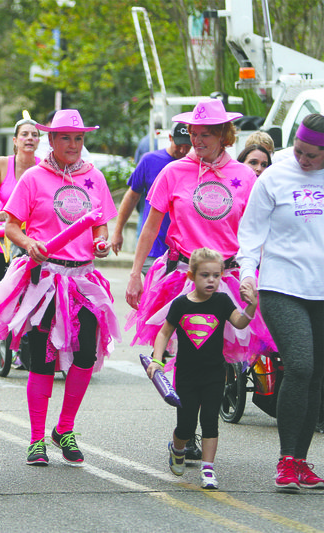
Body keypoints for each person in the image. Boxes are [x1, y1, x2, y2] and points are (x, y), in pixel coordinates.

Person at [0, 109, 119, 467]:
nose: (74, 145)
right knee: (43, 359)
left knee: (85, 357)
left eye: (78, 138)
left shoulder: (94, 178)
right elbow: (11, 226)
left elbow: (101, 228)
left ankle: (64, 428)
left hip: (83, 280)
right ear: (51, 140)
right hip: (45, 280)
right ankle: (35, 439)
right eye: (66, 138)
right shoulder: (33, 177)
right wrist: (28, 242)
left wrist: (102, 243)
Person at [125, 99, 274, 366]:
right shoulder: (174, 171)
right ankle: (189, 404)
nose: (196, 140)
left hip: (230, 277)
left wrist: (261, 272)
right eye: (193, 133)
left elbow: (258, 229)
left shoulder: (245, 176)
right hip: (184, 277)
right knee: (190, 356)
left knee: (224, 358)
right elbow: (150, 227)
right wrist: (136, 274)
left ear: (223, 135)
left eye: (205, 134)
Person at [237, 113, 324, 492]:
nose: (303, 160)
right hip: (281, 286)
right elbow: (251, 232)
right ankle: (286, 460)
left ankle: (302, 461)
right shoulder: (275, 177)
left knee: (317, 375)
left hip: (321, 288)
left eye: (313, 155)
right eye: (300, 152)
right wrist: (247, 273)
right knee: (301, 365)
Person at [146, 248, 257, 490]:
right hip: (185, 375)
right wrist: (157, 360)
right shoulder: (181, 304)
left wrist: (251, 307)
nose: (211, 280)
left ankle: (208, 469)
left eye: (216, 276)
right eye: (205, 275)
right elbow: (164, 333)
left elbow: (239, 322)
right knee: (185, 426)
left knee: (210, 421)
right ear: (191, 276)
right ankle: (177, 449)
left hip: (214, 374)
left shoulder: (222, 301)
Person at [0, 112, 41, 361]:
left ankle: (23, 340)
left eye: (34, 135)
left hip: (30, 239)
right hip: (0, 238)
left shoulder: (42, 166)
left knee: (27, 292)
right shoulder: (2, 163)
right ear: (15, 140)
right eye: (24, 134)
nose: (29, 138)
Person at [111, 123, 192, 275]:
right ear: (169, 138)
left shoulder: (193, 166)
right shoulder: (150, 160)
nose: (183, 150)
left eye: (187, 146)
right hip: (153, 248)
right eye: (179, 145)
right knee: (156, 294)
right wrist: (117, 231)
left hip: (183, 250)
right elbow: (132, 196)